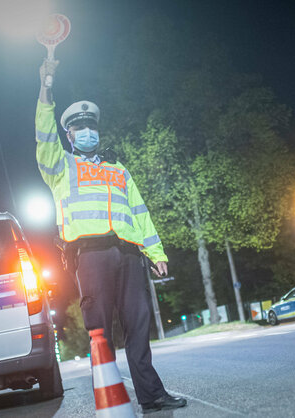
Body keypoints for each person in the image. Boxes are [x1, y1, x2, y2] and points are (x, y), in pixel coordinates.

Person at [35, 58, 186, 413]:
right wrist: (45, 90)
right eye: (79, 128)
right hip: (90, 256)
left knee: (139, 325)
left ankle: (151, 397)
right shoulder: (61, 166)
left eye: (92, 126)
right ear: (69, 135)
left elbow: (140, 212)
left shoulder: (119, 169)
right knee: (100, 332)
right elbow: (43, 135)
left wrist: (157, 252)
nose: (87, 131)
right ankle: (109, 400)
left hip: (129, 255)